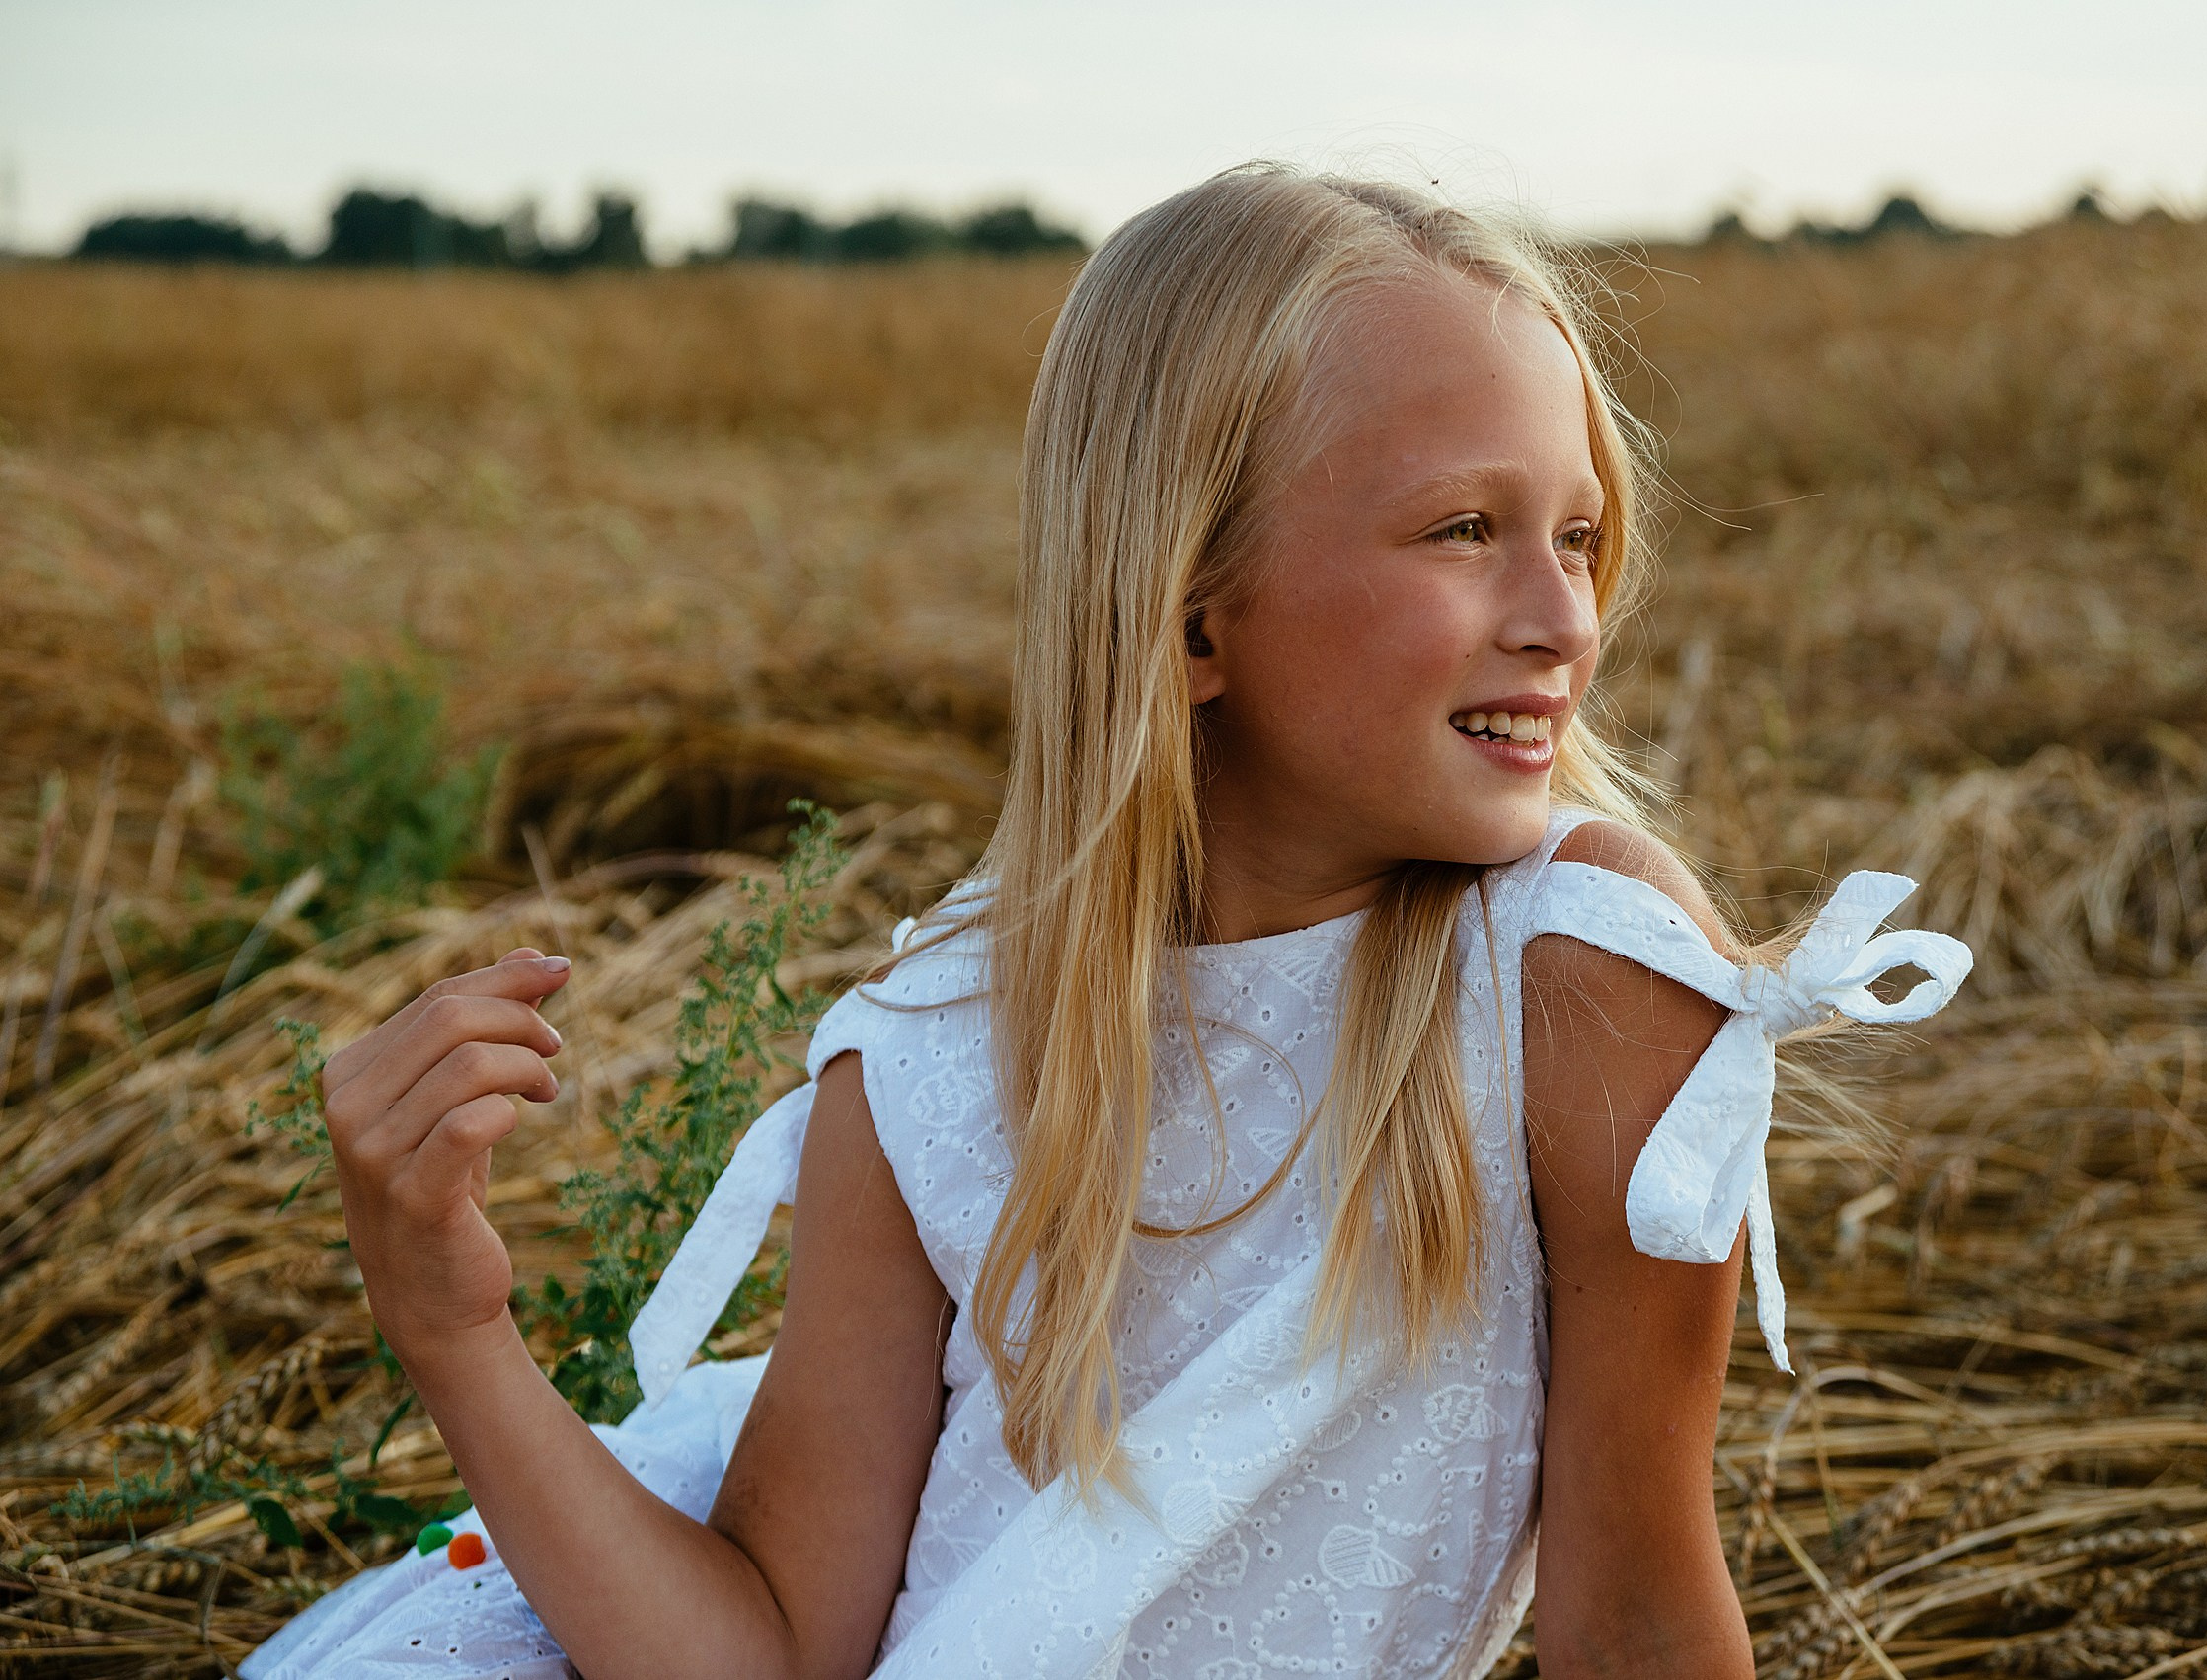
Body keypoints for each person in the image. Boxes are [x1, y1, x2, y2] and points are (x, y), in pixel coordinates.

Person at [241, 163, 1971, 1680]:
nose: (1561, 621)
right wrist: (455, 1328)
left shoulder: (1579, 977)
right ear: (1190, 617)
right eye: (1463, 529)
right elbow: (768, 1648)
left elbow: (1637, 1626)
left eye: (1579, 538)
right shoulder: (934, 1046)